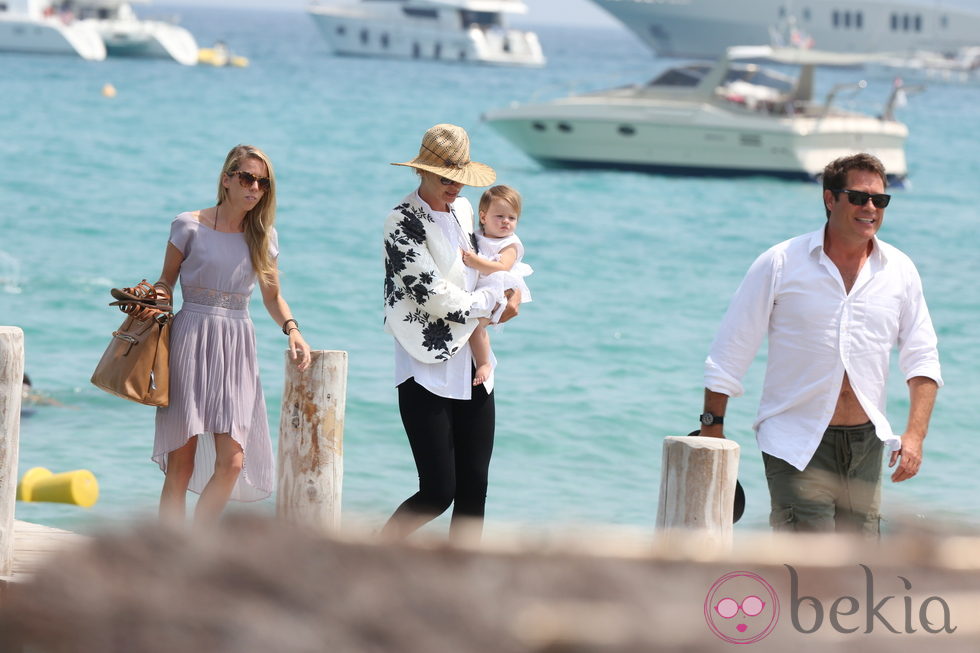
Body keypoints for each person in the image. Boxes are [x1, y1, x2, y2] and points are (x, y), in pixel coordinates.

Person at [699, 153, 942, 535]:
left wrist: (915, 435)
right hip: (796, 442)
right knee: (808, 568)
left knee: (860, 574)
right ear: (830, 199)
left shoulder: (899, 271)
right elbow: (730, 352)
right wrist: (713, 428)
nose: (870, 208)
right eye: (859, 197)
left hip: (866, 444)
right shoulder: (780, 263)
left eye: (880, 200)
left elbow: (922, 357)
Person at [152, 144, 311, 527]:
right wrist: (150, 304)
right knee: (182, 459)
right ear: (226, 180)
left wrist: (293, 330)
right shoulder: (187, 225)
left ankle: (198, 546)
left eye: (262, 182)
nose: (254, 187)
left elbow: (273, 297)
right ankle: (168, 554)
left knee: (233, 461)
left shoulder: (264, 237)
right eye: (246, 178)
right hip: (190, 338)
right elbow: (165, 283)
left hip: (237, 345)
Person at [382, 124, 521, 542]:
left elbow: (488, 260)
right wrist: (492, 308)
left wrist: (510, 289)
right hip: (424, 364)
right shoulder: (400, 221)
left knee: (474, 488)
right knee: (438, 491)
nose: (456, 187)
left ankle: (465, 580)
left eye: (460, 178)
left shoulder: (462, 211)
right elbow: (432, 296)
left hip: (475, 365)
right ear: (421, 172)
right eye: (447, 178)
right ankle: (375, 550)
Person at [461, 185, 533, 386]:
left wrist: (475, 262)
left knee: (476, 326)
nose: (506, 222)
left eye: (512, 218)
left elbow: (503, 266)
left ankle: (484, 363)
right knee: (474, 324)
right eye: (499, 216)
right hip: (483, 284)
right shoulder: (477, 235)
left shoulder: (510, 243)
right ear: (483, 217)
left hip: (497, 288)